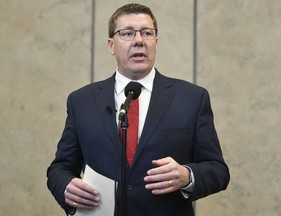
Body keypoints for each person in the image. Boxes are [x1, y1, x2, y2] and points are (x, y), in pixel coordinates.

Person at [47, 3, 230, 216]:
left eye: (146, 33)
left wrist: (187, 176)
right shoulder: (82, 101)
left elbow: (218, 170)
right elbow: (59, 168)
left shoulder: (191, 98)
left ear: (156, 42)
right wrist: (67, 187)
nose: (139, 41)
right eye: (127, 33)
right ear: (111, 45)